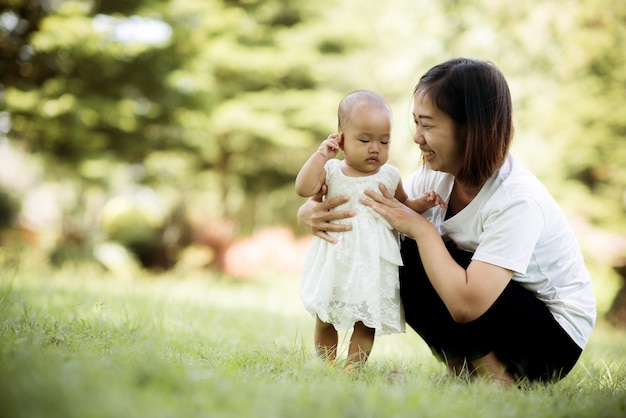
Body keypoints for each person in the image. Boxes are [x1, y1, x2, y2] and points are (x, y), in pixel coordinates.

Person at [297, 59, 596, 386]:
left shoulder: (517, 199)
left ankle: (497, 379)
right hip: (497, 313)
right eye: (415, 123)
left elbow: (467, 304)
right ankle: (461, 371)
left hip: (549, 341)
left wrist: (422, 229)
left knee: (417, 249)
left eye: (427, 125)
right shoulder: (435, 175)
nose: (416, 138)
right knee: (399, 252)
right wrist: (309, 213)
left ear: (470, 127)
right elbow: (382, 213)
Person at [295, 90, 446, 370]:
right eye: (364, 140)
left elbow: (404, 206)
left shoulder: (389, 175)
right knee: (326, 315)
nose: (375, 148)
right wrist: (320, 155)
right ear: (341, 139)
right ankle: (325, 363)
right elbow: (303, 189)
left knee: (367, 320)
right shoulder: (331, 171)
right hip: (337, 260)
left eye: (384, 141)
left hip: (374, 264)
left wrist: (422, 203)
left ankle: (354, 368)